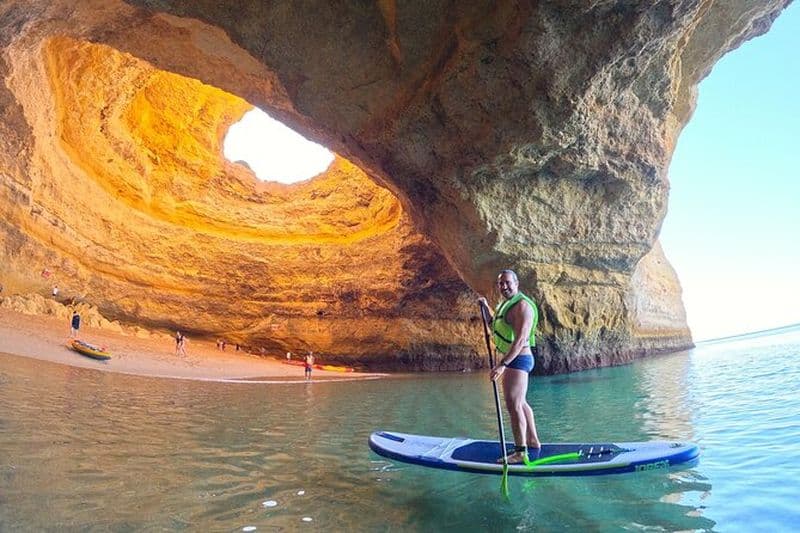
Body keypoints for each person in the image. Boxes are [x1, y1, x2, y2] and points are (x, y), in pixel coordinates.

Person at [478, 269, 541, 464]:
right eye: (501, 284)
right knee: (520, 403)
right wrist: (486, 307)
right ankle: (532, 440)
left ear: (517, 283)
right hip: (514, 360)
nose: (504, 286)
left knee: (513, 406)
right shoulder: (505, 304)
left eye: (507, 282)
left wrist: (502, 365)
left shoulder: (522, 306)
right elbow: (493, 326)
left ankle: (520, 452)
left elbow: (521, 340)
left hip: (518, 360)